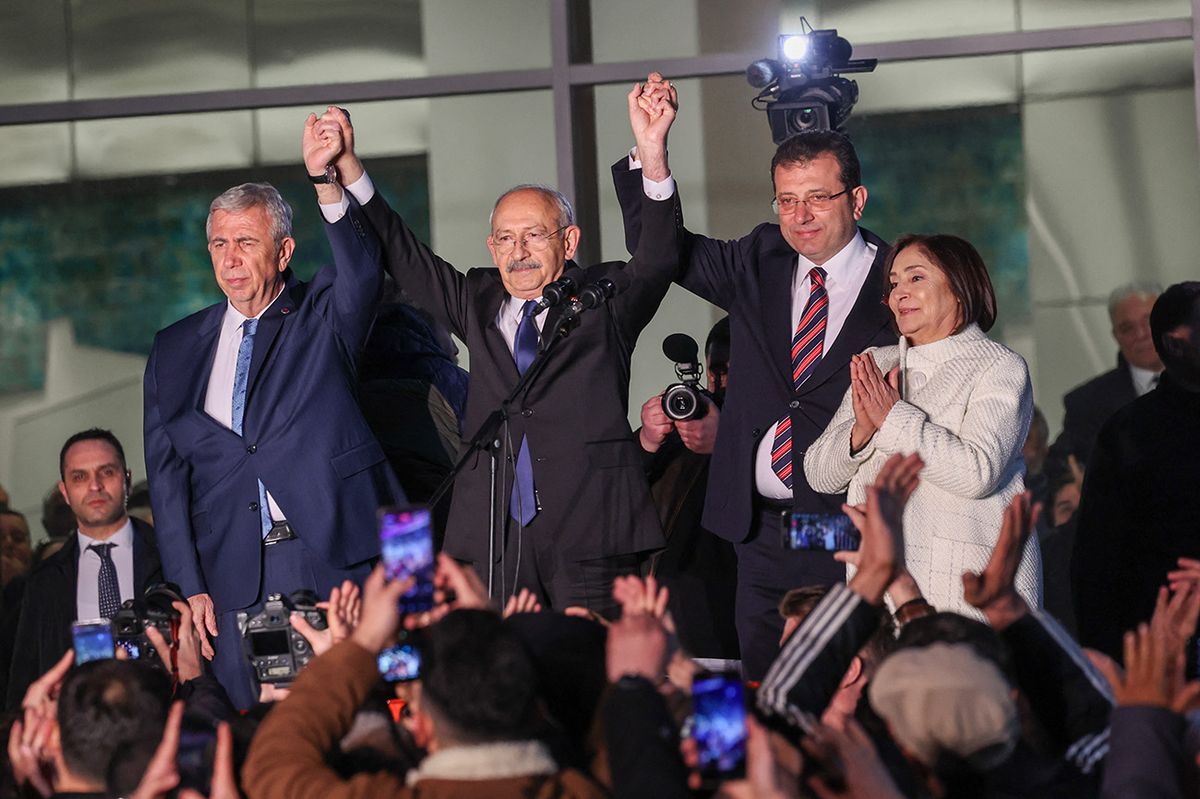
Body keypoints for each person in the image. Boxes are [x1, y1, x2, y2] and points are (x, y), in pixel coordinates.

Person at [317, 88, 680, 615]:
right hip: (492, 534)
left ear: (569, 241)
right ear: (491, 248)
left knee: (588, 677)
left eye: (534, 235)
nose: (519, 251)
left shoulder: (604, 299)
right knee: (500, 679)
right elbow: (401, 249)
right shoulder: (477, 299)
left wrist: (652, 151)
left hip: (590, 532)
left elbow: (659, 257)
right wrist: (349, 167)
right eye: (505, 239)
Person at [613, 74, 894, 679]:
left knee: (844, 686)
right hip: (754, 529)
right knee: (764, 688)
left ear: (857, 199)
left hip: (844, 526)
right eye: (787, 200)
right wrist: (653, 153)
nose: (801, 215)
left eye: (818, 197)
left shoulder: (900, 283)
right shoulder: (760, 256)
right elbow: (662, 253)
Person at [142, 114, 403, 708]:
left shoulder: (322, 315)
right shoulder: (174, 348)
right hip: (236, 577)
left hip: (334, 557)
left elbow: (364, 270)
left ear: (283, 250)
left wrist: (326, 182)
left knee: (351, 716)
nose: (230, 259)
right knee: (257, 733)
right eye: (219, 244)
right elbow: (167, 477)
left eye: (246, 242)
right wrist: (189, 584)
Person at [805, 233, 1040, 615]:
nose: (899, 293)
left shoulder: (998, 366)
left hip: (966, 589)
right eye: (894, 283)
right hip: (876, 589)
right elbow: (818, 474)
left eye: (916, 278)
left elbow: (977, 472)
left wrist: (891, 418)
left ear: (961, 287)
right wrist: (861, 432)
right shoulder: (875, 363)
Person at [240, 569, 607, 799]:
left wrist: (363, 643)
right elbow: (629, 733)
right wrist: (489, 635)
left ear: (423, 729)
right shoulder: (597, 785)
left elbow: (275, 763)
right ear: (539, 710)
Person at [1072, 281, 1200, 662]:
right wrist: (1111, 667)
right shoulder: (1129, 432)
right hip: (1165, 649)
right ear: (1175, 343)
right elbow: (1098, 562)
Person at [5, 429, 162, 709]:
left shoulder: (169, 557)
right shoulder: (44, 581)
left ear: (126, 478)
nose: (95, 486)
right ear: (64, 491)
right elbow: (24, 681)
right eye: (80, 476)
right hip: (79, 733)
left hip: (165, 717)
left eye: (106, 472)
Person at [637, 316, 738, 662]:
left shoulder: (783, 427)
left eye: (732, 370)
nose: (721, 382)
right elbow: (619, 495)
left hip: (740, 610)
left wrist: (727, 442)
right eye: (715, 371)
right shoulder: (688, 418)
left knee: (731, 714)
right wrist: (647, 440)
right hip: (676, 608)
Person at [1050, 281, 1163, 469]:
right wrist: (1069, 486)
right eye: (1127, 328)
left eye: (1149, 321)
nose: (1141, 334)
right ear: (1116, 336)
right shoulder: (1087, 403)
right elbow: (1060, 463)